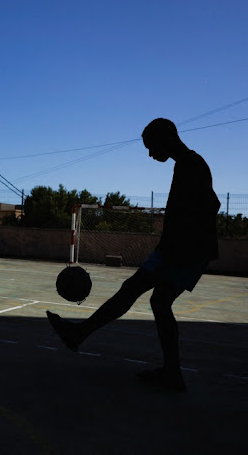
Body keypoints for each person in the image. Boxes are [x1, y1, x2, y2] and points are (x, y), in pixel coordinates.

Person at [47, 118, 220, 392]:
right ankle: (171, 372)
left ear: (166, 139)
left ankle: (79, 335)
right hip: (179, 249)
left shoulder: (191, 165)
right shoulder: (187, 163)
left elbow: (211, 205)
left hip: (183, 251)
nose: (151, 155)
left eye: (152, 147)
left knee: (145, 296)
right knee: (153, 300)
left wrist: (182, 245)